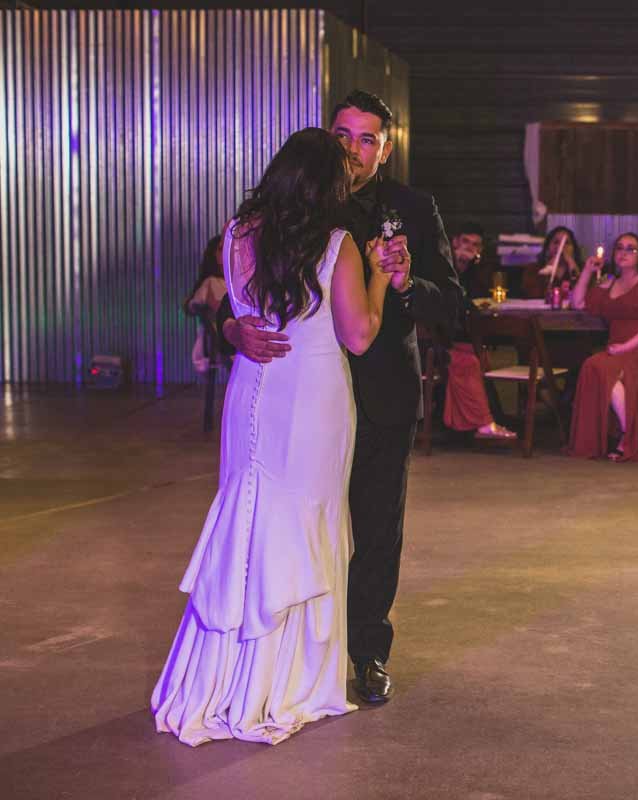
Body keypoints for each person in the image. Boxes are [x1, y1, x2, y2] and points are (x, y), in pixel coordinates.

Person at [216, 90, 461, 705]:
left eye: (367, 138)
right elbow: (229, 290)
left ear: (387, 146)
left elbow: (452, 303)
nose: (354, 150)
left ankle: (367, 654)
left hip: (380, 394)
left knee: (375, 528)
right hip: (302, 400)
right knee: (297, 522)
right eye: (344, 135)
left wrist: (405, 281)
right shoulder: (290, 204)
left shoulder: (412, 207)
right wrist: (229, 327)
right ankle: (296, 649)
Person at [153, 128, 393, 745]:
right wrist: (383, 276)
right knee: (306, 522)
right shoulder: (337, 245)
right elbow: (361, 335)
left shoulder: (237, 234)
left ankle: (227, 677)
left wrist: (234, 331)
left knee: (251, 514)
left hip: (253, 393)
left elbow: (236, 312)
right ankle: (293, 679)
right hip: (313, 398)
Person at [567, 232, 638, 461]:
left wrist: (627, 347)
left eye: (630, 249)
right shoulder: (610, 281)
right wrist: (587, 270)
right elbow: (578, 302)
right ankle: (625, 434)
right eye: (619, 248)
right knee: (592, 364)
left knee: (604, 368)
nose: (623, 253)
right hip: (616, 347)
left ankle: (629, 436)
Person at [444, 222, 515, 439]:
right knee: (469, 359)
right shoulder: (440, 262)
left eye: (476, 245)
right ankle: (483, 423)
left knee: (478, 354)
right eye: (466, 242)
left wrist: (468, 266)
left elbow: (474, 295)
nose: (470, 248)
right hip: (432, 338)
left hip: (456, 336)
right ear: (455, 242)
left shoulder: (474, 268)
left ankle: (486, 419)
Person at [183, 234, 229, 374]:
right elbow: (192, 305)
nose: (226, 252)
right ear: (213, 254)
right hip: (221, 335)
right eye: (221, 249)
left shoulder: (235, 281)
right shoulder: (210, 282)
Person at [521, 225, 582, 299]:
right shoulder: (533, 269)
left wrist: (573, 268)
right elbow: (532, 295)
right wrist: (548, 270)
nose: (561, 247)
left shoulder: (584, 270)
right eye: (556, 242)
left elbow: (584, 296)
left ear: (574, 249)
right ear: (547, 248)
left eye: (567, 243)